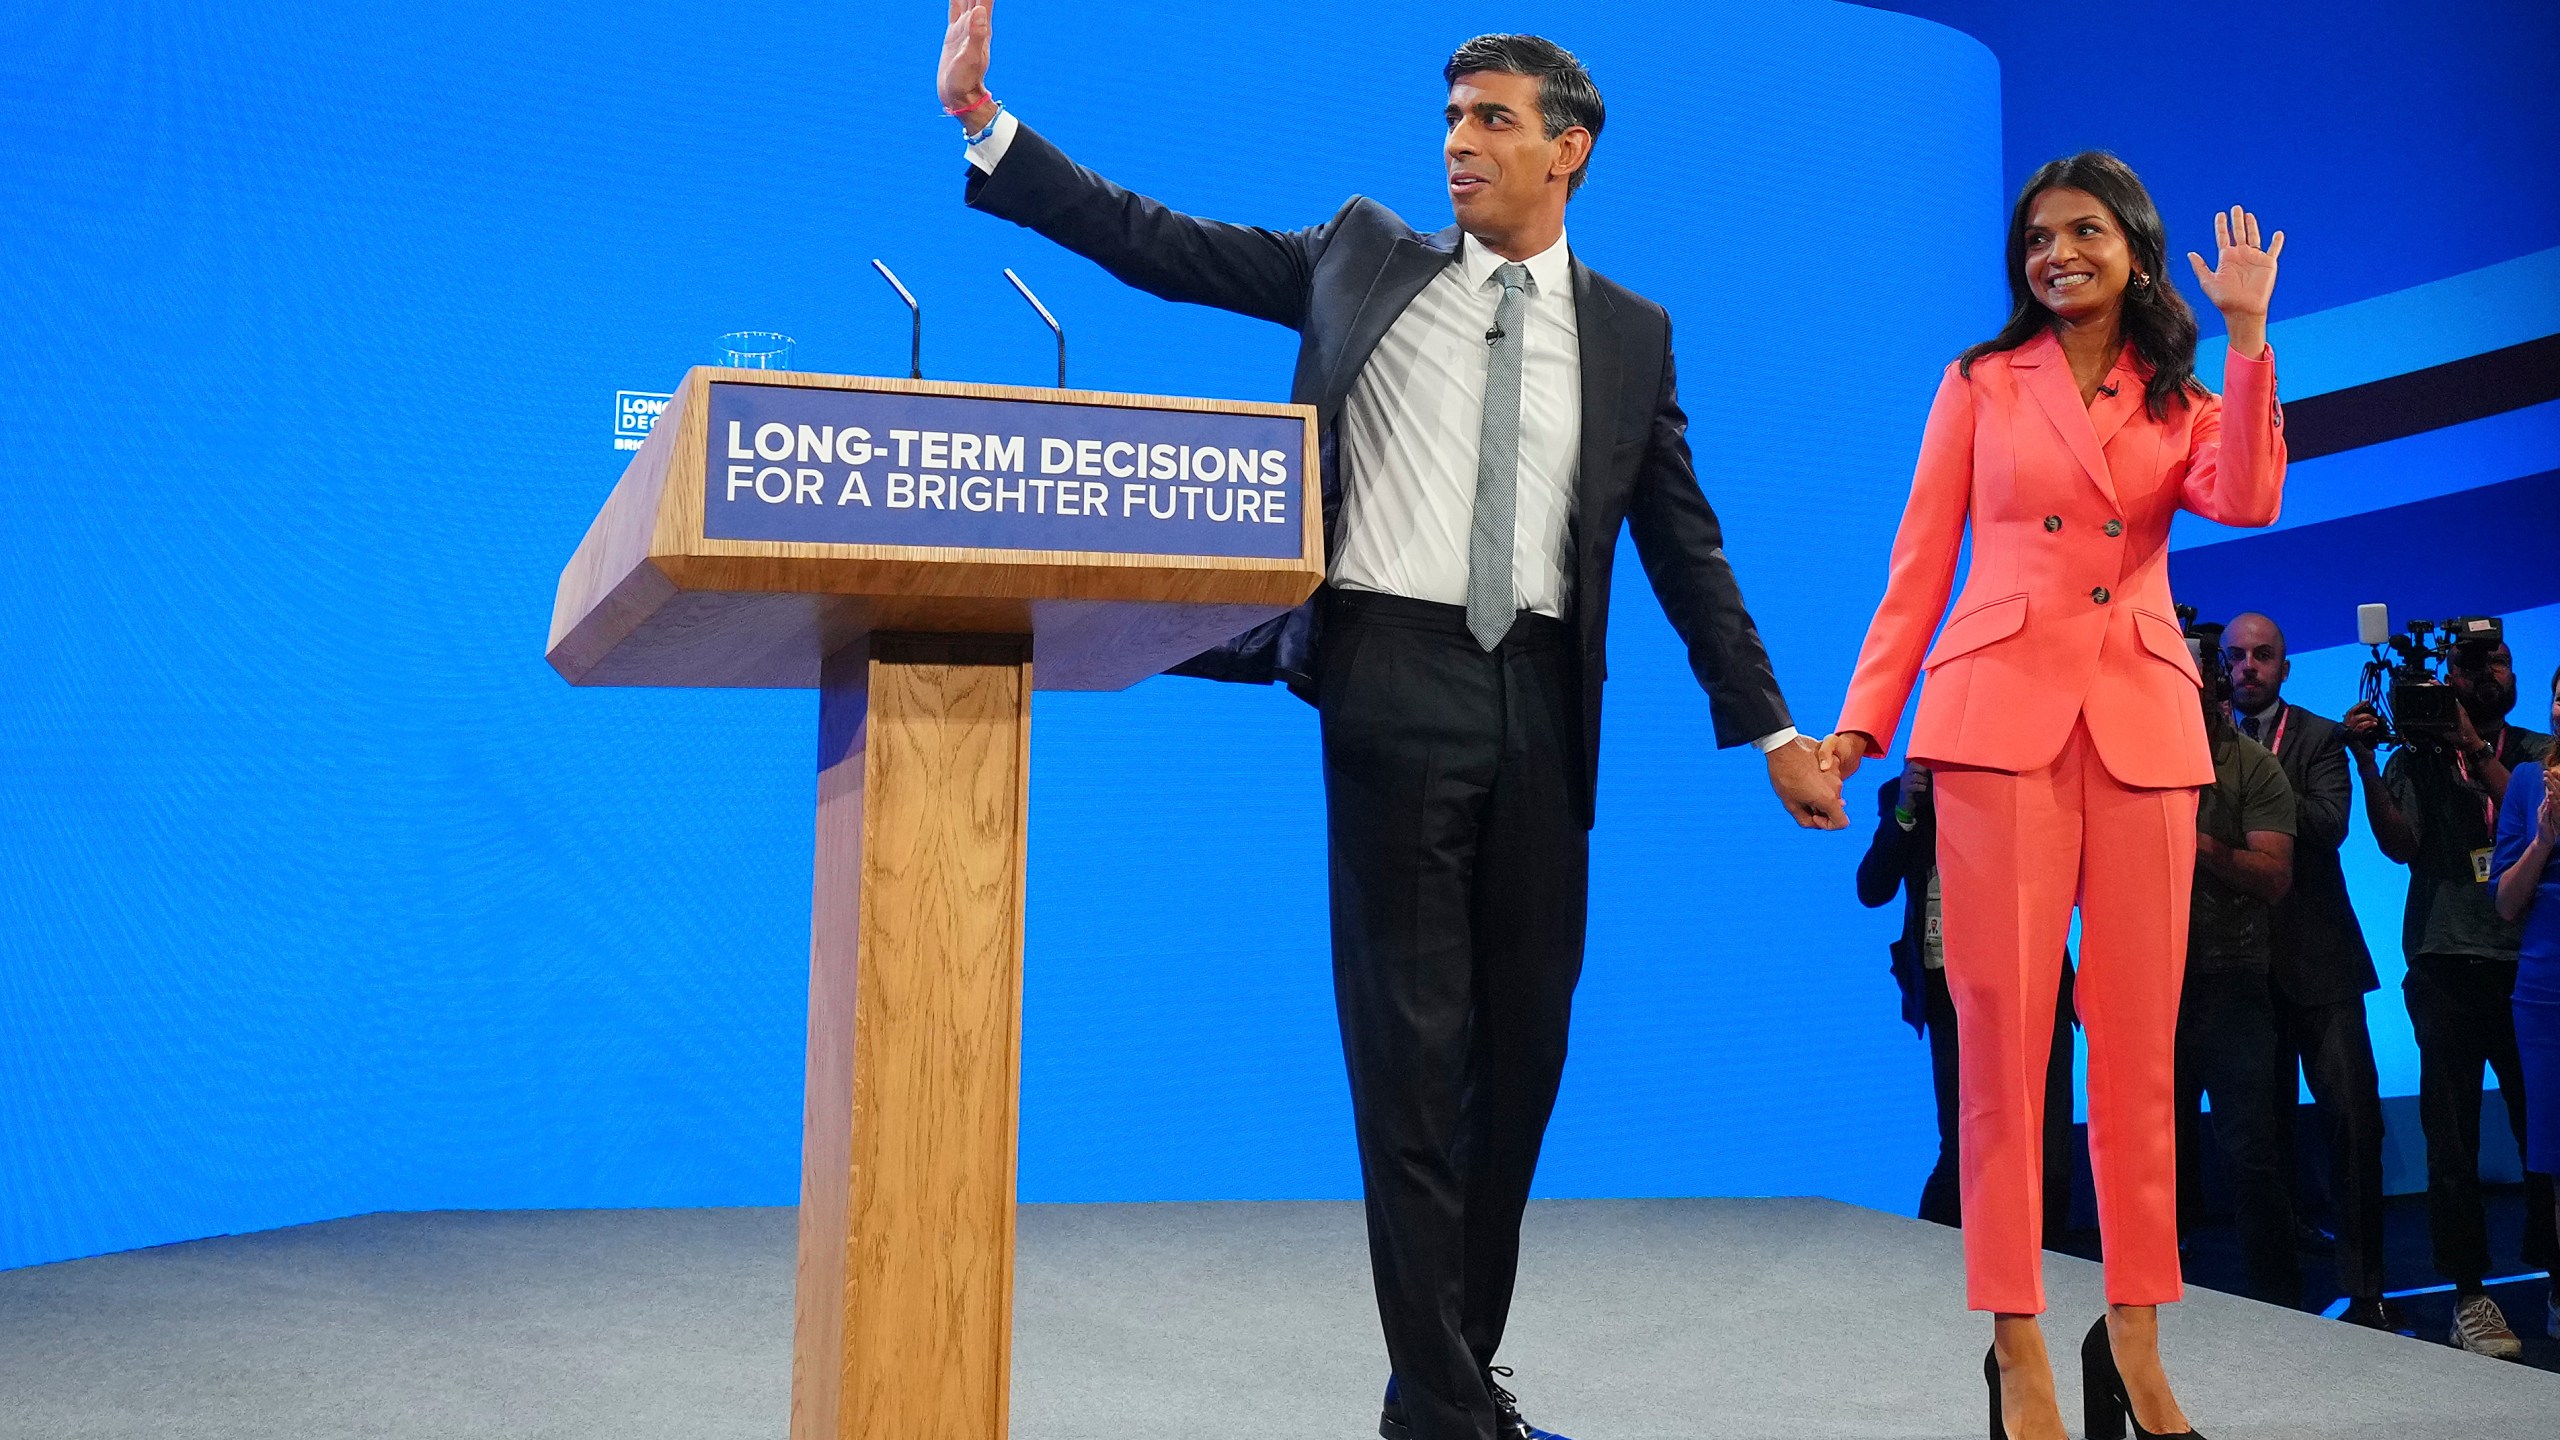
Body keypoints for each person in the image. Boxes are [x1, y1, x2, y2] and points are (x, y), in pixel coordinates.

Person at [934, 14, 1847, 1440]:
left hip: (1545, 703)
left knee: (1522, 1063)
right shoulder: (1361, 254)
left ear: (1569, 147)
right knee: (1412, 1066)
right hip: (1392, 681)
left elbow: (1684, 544)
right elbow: (1157, 242)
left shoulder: (1631, 331)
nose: (1459, 144)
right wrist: (993, 127)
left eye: (1491, 118)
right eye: (1452, 118)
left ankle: (1445, 1377)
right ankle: (1445, 1409)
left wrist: (1771, 728)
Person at [1820, 152, 2286, 1440]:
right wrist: (1863, 724)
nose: (2055, 252)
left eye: (2083, 231)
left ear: (2134, 248)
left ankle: (2133, 1335)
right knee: (2003, 1049)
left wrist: (2247, 340)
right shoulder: (1979, 380)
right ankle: (2015, 1340)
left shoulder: (2186, 395)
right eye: (2037, 236)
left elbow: (2245, 499)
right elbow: (1920, 562)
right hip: (1992, 732)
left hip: (2140, 732)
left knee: (2139, 1053)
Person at [2346, 638, 2560, 1358]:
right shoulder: (2419, 756)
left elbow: (2536, 818)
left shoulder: (2539, 753)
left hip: (2530, 967)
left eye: (2498, 660)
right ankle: (2468, 1294)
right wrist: (2370, 762)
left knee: (2548, 1134)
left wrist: (2477, 749)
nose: (2485, 675)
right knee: (2452, 1137)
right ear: (2451, 679)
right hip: (2444, 964)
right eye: (2469, 667)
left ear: (2514, 673)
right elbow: (2399, 845)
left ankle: (2557, 1278)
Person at [2220, 612, 2399, 1328]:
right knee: (2258, 1141)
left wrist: (2249, 783)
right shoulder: (2195, 747)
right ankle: (2277, 1296)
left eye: (2262, 655)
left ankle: (2366, 1287)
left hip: (2321, 963)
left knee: (2353, 1129)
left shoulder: (2320, 737)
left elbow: (2327, 826)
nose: (2248, 668)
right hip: (2237, 966)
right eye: (2235, 657)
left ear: (2285, 666)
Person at [1857, 760, 2078, 1238]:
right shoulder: (1905, 796)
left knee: (2050, 1152)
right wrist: (1904, 812)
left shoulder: (2024, 783)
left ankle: (2051, 1271)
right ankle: (1931, 1269)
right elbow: (1872, 889)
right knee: (1962, 1148)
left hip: (2032, 983)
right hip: (1949, 997)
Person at [2172, 639, 2300, 1308]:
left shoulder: (2253, 767)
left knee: (2251, 1151)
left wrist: (2190, 842)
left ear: (2216, 691)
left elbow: (2276, 875)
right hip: (2149, 984)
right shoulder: (2132, 759)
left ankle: (2280, 1305)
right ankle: (2146, 1308)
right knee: (2150, 1154)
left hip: (2231, 980)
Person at [2491, 663, 2560, 1346]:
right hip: (2545, 991)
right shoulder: (2528, 782)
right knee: (2557, 1155)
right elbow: (2507, 903)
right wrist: (2544, 838)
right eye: (2559, 694)